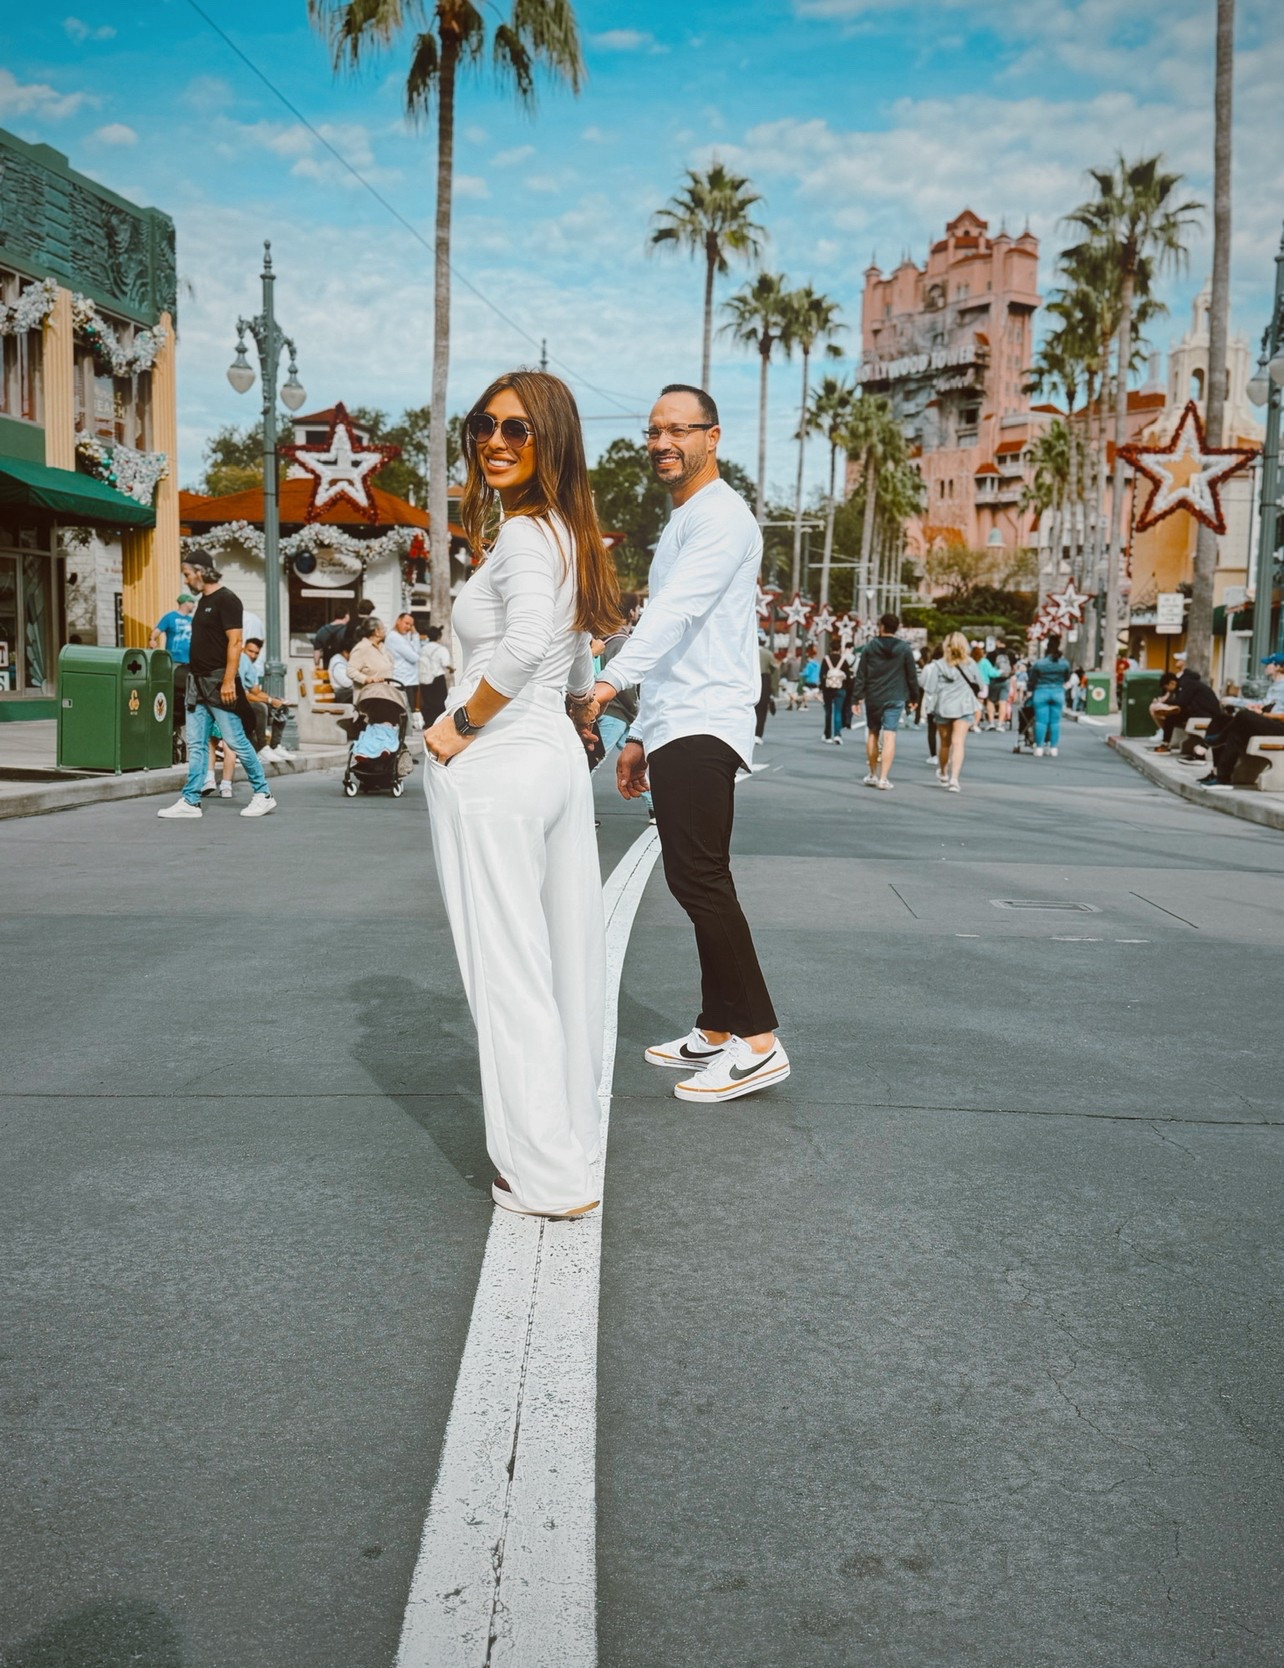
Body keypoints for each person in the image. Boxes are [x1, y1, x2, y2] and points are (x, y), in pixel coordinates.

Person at [421, 369, 619, 1220]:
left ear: (552, 441)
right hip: (548, 758)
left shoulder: (529, 536)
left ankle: (545, 1174)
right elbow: (575, 654)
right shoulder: (568, 534)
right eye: (483, 426)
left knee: (509, 971)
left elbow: (533, 636)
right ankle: (564, 1146)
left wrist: (459, 725)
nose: (495, 442)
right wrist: (577, 714)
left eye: (517, 430)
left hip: (502, 762)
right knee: (561, 962)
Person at [589, 383, 789, 1104]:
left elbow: (671, 617)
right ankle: (716, 1025)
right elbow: (675, 641)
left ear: (713, 436)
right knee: (690, 875)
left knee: (701, 877)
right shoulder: (683, 522)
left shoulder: (722, 519)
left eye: (678, 430)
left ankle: (759, 1040)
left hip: (709, 718)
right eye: (653, 431)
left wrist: (607, 687)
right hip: (678, 719)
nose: (662, 443)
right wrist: (641, 732)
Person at [157, 562, 277, 820]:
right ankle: (190, 800)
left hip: (217, 683)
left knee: (236, 741)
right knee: (197, 744)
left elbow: (236, 642)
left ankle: (263, 794)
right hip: (198, 683)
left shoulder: (227, 599)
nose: (186, 581)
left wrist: (228, 681)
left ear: (200, 571)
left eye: (188, 574)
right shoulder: (203, 600)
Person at [851, 611, 920, 790]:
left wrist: (856, 698)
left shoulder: (870, 647)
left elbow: (861, 674)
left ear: (881, 627)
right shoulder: (904, 649)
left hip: (874, 696)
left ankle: (872, 773)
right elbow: (911, 675)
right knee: (890, 735)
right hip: (896, 696)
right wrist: (914, 697)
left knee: (873, 733)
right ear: (897, 628)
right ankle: (884, 778)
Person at [1198, 657, 1284, 789]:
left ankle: (1217, 740)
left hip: (1279, 728)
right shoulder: (1274, 686)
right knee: (1226, 724)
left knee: (1243, 716)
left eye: (1269, 664)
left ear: (1279, 667)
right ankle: (1220, 776)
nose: (1265, 667)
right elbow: (1265, 704)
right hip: (1267, 722)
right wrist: (1253, 707)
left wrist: (1262, 714)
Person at [919, 631, 983, 791]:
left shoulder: (938, 665)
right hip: (964, 706)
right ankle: (954, 779)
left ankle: (943, 772)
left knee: (945, 743)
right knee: (959, 742)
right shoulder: (970, 663)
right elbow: (980, 685)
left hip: (944, 707)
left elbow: (930, 687)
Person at [1029, 633, 1073, 756]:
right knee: (1055, 722)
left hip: (1041, 692)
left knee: (1041, 722)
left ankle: (1039, 747)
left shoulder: (1039, 663)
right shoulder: (1064, 663)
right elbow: (1067, 678)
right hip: (1057, 692)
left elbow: (1032, 679)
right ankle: (1053, 748)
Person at [387, 611, 422, 713]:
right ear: (398, 621)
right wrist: (415, 635)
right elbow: (415, 657)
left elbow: (416, 653)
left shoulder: (401, 638)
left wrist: (414, 635)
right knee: (404, 715)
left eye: (411, 625)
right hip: (401, 681)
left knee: (406, 715)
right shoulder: (395, 638)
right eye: (406, 623)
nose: (409, 627)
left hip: (406, 680)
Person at [418, 625, 452, 726]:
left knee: (427, 702)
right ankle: (438, 724)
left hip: (425, 678)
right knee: (440, 703)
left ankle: (428, 723)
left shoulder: (422, 648)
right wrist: (452, 669)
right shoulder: (441, 649)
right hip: (437, 679)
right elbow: (446, 664)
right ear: (439, 637)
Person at [819, 638, 850, 744]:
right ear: (839, 649)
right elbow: (848, 676)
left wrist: (821, 688)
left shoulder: (826, 659)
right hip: (840, 688)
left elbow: (821, 675)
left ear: (830, 648)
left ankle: (827, 735)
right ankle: (837, 734)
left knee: (828, 711)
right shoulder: (843, 660)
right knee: (838, 711)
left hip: (828, 689)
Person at [348, 617, 395, 686]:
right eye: (383, 628)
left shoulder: (382, 647)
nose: (385, 631)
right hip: (370, 694)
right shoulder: (362, 648)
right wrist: (367, 679)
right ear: (376, 631)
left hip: (385, 693)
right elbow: (350, 671)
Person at [754, 636, 778, 745]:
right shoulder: (768, 654)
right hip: (764, 680)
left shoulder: (747, 652)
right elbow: (775, 671)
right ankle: (758, 734)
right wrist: (774, 689)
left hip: (749, 680)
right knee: (761, 709)